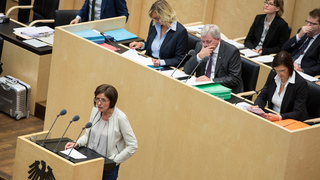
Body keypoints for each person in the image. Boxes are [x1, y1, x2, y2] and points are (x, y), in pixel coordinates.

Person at [65, 84, 138, 180]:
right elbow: (88, 135)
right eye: (97, 99)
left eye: (103, 100)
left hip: (107, 168)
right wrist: (77, 143)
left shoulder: (120, 118)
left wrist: (114, 161)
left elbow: (133, 145)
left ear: (111, 102)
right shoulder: (95, 110)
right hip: (89, 161)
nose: (99, 103)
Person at [183, 24, 243, 93]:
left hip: (222, 90)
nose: (205, 45)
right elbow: (187, 70)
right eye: (203, 41)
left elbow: (234, 79)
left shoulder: (231, 51)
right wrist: (199, 56)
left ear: (218, 39)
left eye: (208, 42)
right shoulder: (200, 46)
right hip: (201, 88)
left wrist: (211, 81)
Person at [251, 51, 308, 121]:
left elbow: (297, 112)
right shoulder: (273, 74)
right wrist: (257, 106)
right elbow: (263, 94)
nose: (279, 74)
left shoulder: (300, 84)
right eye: (276, 70)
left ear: (290, 67)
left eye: (282, 70)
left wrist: (279, 117)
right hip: (272, 116)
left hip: (288, 120)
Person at [129, 0, 188, 67]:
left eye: (158, 18)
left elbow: (179, 59)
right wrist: (141, 44)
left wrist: (161, 62)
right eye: (154, 18)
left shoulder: (180, 32)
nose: (156, 20)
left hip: (165, 67)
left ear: (166, 15)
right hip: (149, 62)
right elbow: (151, 44)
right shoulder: (154, 24)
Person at [282, 8, 320, 76]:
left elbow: (319, 67)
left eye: (312, 23)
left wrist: (302, 70)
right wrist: (299, 36)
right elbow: (284, 49)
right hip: (288, 65)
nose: (308, 25)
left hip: (301, 73)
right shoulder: (302, 33)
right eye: (307, 22)